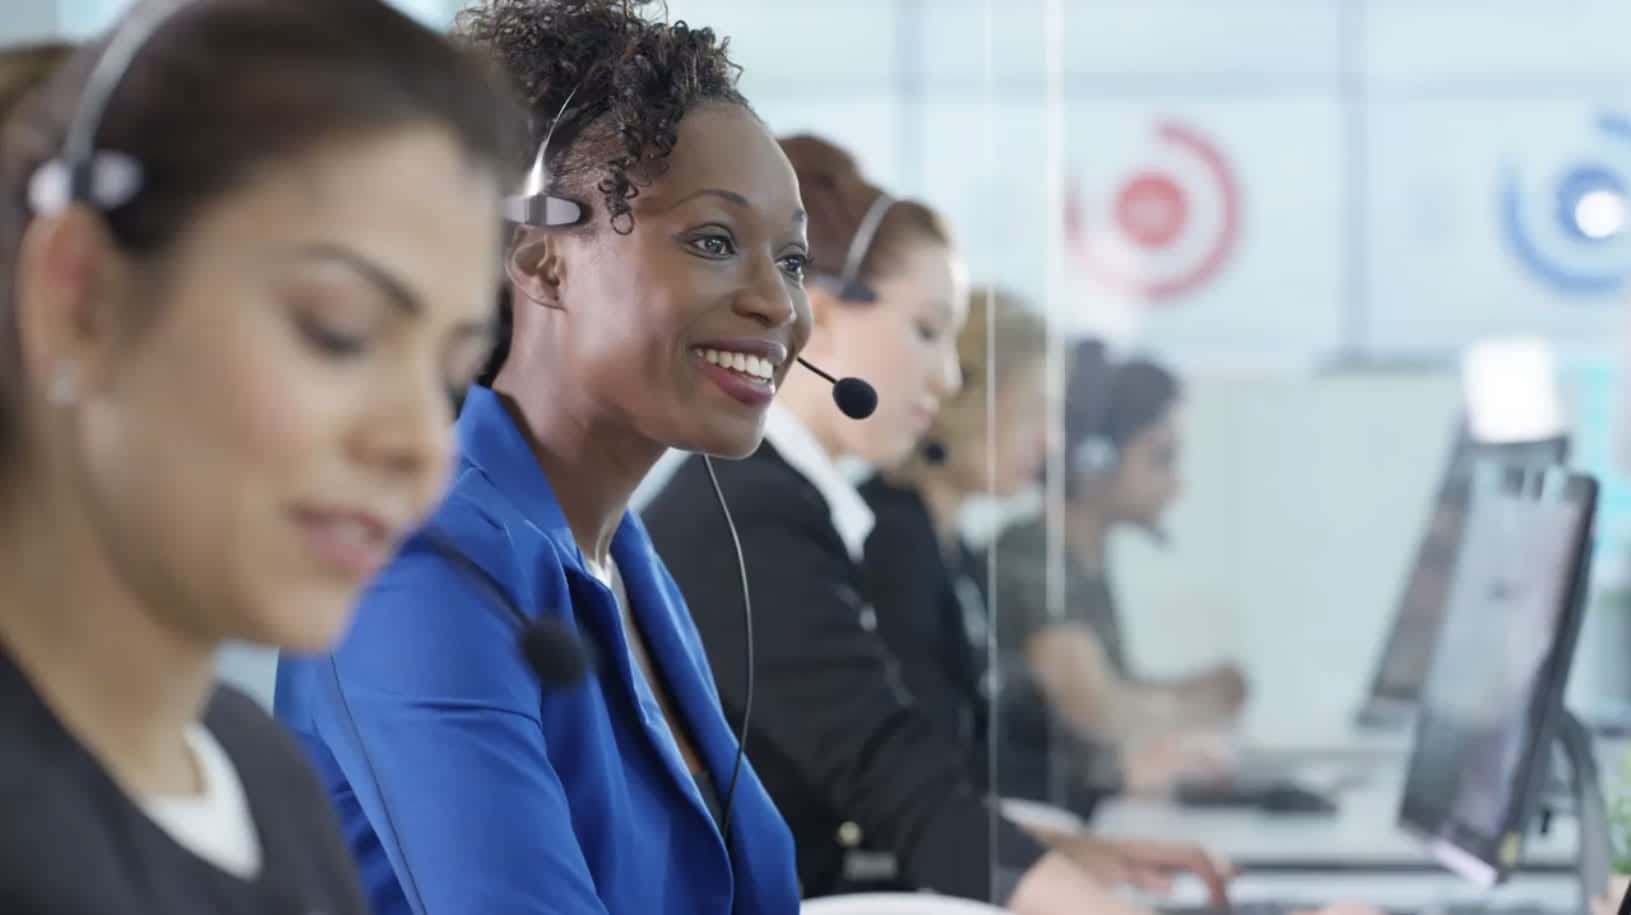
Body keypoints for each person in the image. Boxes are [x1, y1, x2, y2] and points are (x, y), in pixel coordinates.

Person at [273, 1, 808, 912]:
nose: (777, 305)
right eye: (715, 241)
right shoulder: (416, 566)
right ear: (541, 260)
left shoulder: (623, 564)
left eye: (792, 259)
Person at [0, 0, 522, 910]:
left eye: (451, 373)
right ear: (80, 298)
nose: (415, 450)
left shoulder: (259, 775)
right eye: (339, 331)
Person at [643, 135, 1228, 915]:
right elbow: (895, 787)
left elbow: (900, 779)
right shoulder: (748, 515)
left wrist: (1086, 857)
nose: (948, 379)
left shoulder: (782, 504)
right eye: (926, 330)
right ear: (821, 318)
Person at [857, 287, 1084, 807]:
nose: (1050, 442)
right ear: (960, 401)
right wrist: (1098, 786)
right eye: (1034, 413)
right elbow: (935, 755)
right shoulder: (890, 543)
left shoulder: (954, 547)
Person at [992, 339, 1248, 793]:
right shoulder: (1032, 552)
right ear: (1096, 459)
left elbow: (1114, 692)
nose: (1176, 482)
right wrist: (1202, 701)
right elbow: (1094, 709)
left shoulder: (1084, 553)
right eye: (1160, 457)